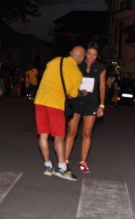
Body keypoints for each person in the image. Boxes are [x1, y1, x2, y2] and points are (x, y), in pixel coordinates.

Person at [34, 46, 85, 181]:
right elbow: (73, 94)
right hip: (56, 104)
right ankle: (62, 168)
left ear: (70, 54)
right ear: (81, 59)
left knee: (43, 135)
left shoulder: (56, 60)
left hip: (40, 100)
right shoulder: (77, 73)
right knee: (58, 137)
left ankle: (47, 166)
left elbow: (48, 71)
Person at [65, 42, 106, 174]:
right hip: (76, 101)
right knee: (71, 132)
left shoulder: (101, 67)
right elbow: (70, 81)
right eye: (89, 54)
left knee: (87, 134)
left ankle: (83, 162)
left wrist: (101, 105)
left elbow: (102, 87)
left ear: (97, 55)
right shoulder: (77, 64)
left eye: (94, 54)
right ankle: (64, 161)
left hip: (91, 103)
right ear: (85, 54)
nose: (91, 57)